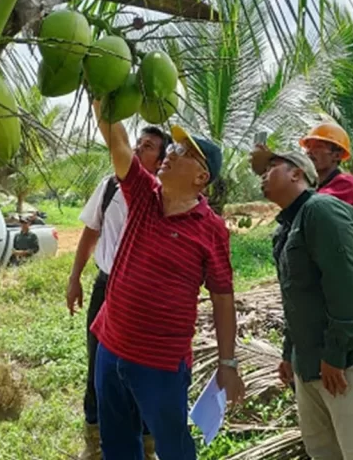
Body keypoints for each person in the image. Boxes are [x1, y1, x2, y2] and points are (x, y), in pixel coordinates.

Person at [91, 100, 245, 460]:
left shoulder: (211, 230)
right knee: (116, 442)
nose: (169, 154)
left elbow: (223, 298)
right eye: (172, 147)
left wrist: (228, 363)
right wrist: (101, 95)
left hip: (160, 363)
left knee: (172, 446)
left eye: (183, 151)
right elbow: (117, 144)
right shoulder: (144, 194)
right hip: (111, 347)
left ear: (201, 177)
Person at [251, 145, 353, 460]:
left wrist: (337, 353)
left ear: (296, 173)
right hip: (311, 362)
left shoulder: (322, 210)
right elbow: (296, 297)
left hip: (349, 360)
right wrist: (291, 353)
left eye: (271, 166)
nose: (263, 175)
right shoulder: (287, 228)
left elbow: (346, 284)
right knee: (323, 453)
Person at [66, 126, 170, 460]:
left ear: (162, 160)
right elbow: (90, 232)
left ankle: (146, 442)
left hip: (145, 294)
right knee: (97, 362)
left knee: (142, 368)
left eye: (149, 146)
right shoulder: (109, 186)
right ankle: (95, 439)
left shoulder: (166, 197)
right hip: (107, 286)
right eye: (137, 143)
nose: (139, 149)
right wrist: (74, 278)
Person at [299, 122, 353, 262]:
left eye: (318, 147)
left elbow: (314, 206)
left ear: (337, 155)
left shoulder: (346, 183)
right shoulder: (316, 186)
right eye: (308, 146)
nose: (310, 151)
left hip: (350, 265)